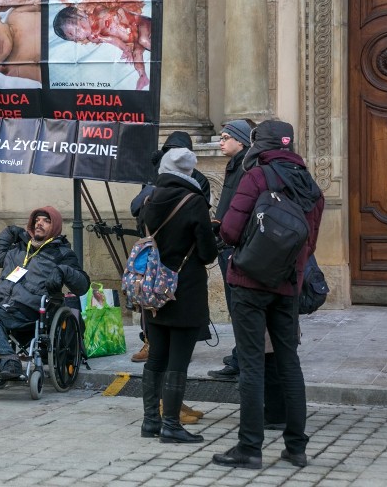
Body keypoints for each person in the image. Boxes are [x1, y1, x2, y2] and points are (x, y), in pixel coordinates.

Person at [212, 120, 324, 469]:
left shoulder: (256, 177)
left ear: (262, 144)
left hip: (249, 282)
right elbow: (309, 242)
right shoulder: (311, 185)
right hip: (288, 284)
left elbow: (229, 232)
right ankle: (296, 448)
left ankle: (249, 448)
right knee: (289, 362)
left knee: (251, 364)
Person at [137, 148, 218, 443]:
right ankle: (171, 424)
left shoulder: (149, 199)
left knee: (156, 357)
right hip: (185, 291)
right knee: (178, 362)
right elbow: (208, 252)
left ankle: (150, 422)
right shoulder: (194, 201)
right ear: (189, 171)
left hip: (154, 292)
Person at [0, 206, 90, 380]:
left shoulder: (62, 253)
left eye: (45, 221)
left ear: (55, 226)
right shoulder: (19, 248)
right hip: (4, 305)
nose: (39, 224)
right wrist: (9, 232)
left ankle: (11, 362)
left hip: (29, 310)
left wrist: (63, 271)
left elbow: (82, 285)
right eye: (36, 220)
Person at [129, 131, 211, 363]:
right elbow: (139, 210)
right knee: (153, 308)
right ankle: (151, 343)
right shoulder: (155, 179)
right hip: (158, 254)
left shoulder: (198, 181)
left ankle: (170, 354)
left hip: (181, 257)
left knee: (172, 315)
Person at [207, 119, 255, 382]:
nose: (221, 141)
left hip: (236, 247)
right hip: (228, 244)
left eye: (226, 137)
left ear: (241, 141)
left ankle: (242, 361)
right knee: (236, 306)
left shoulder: (247, 166)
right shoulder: (237, 164)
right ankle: (240, 355)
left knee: (240, 307)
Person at [53, 4, 152, 90]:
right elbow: (113, 40)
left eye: (76, 31)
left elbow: (117, 11)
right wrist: (126, 50)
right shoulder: (94, 37)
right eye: (74, 39)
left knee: (143, 40)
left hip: (140, 23)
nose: (78, 37)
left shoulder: (98, 10)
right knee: (137, 54)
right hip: (136, 38)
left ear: (81, 14)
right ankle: (143, 77)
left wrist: (114, 15)